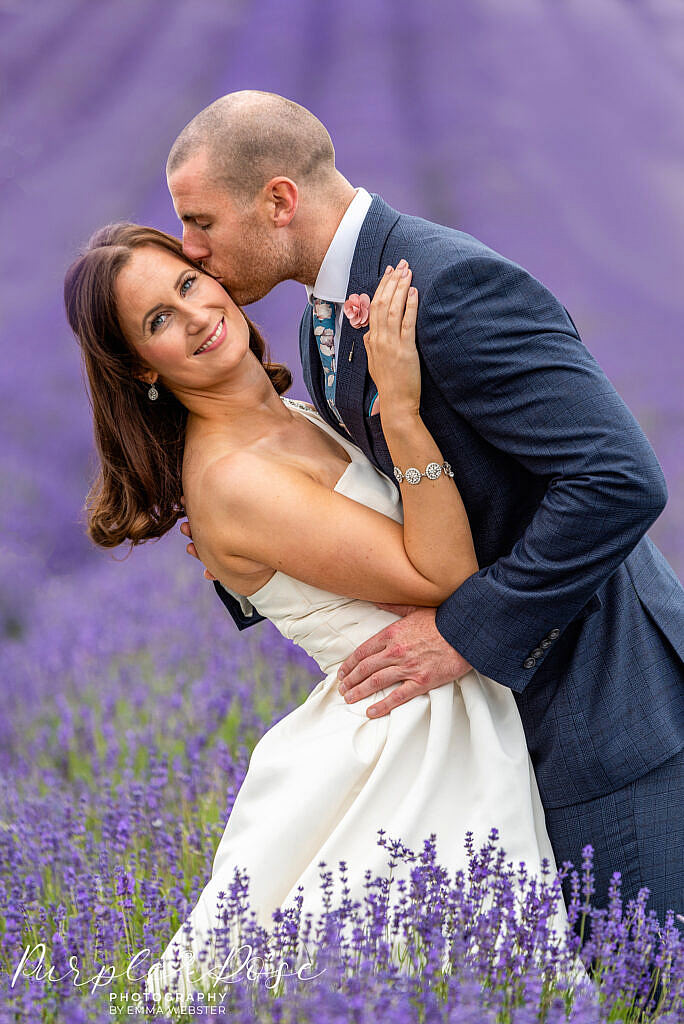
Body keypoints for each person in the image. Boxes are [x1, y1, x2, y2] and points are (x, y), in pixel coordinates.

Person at [166, 90, 684, 925]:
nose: (193, 250)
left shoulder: (447, 284)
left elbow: (619, 479)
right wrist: (246, 546)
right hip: (503, 730)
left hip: (606, 707)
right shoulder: (321, 321)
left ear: (277, 200)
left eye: (200, 223)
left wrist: (462, 633)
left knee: (651, 987)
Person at [65, 225, 571, 999]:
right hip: (411, 734)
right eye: (159, 322)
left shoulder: (294, 417)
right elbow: (442, 577)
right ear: (139, 368)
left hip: (444, 699)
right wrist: (400, 411)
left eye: (188, 286)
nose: (196, 315)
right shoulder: (234, 477)